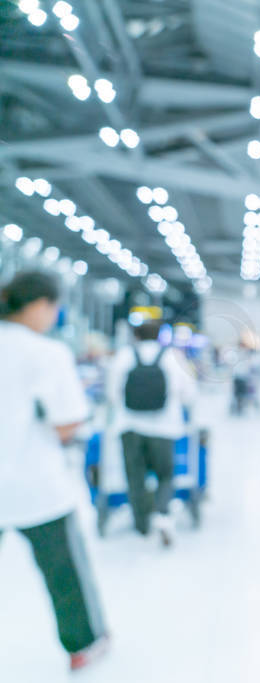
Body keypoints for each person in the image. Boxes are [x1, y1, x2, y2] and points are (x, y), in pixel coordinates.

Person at [0, 271, 110, 670]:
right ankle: (83, 645)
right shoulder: (45, 353)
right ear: (39, 305)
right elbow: (68, 422)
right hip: (35, 486)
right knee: (63, 573)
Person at [106, 320, 197, 547]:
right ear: (160, 336)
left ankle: (142, 525)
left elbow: (111, 393)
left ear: (135, 335)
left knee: (135, 477)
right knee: (165, 474)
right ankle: (163, 515)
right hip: (165, 427)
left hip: (129, 427)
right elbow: (188, 393)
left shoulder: (124, 356)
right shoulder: (172, 357)